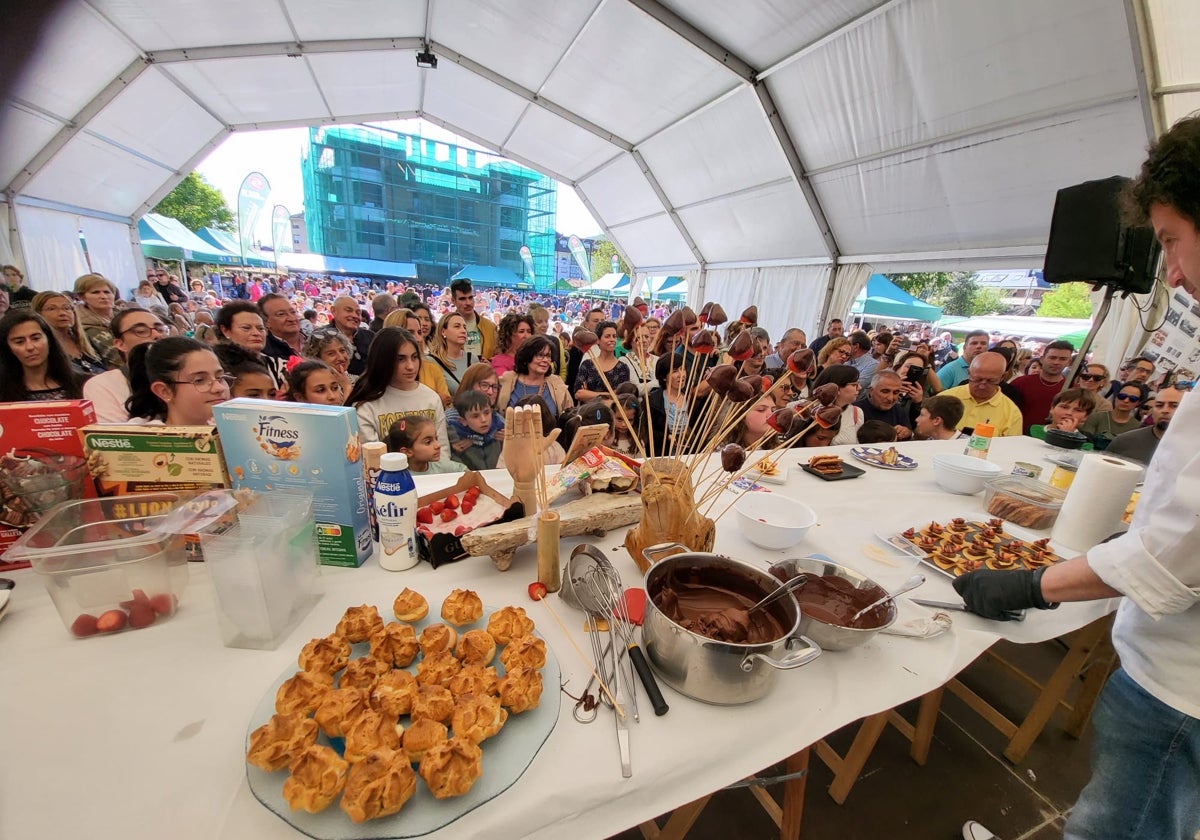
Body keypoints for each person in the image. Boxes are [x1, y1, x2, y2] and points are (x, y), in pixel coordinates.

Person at [957, 117, 1200, 840]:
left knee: (1112, 826)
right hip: (1174, 675)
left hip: (1182, 691)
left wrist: (1031, 585)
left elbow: (1169, 559)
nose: (1175, 275)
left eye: (1169, 241)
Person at [347, 326, 450, 460]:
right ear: (383, 361)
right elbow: (372, 460)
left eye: (414, 357)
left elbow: (443, 452)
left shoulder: (430, 398)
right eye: (400, 359)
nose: (410, 366)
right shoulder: (366, 405)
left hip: (431, 478)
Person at [83, 308, 169, 422]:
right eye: (141, 331)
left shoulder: (185, 375)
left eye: (161, 329)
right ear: (120, 344)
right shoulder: (102, 384)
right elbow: (120, 437)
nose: (156, 335)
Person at [125, 337, 230, 425]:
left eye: (220, 377)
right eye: (199, 380)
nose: (219, 388)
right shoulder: (145, 443)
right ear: (164, 391)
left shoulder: (235, 432)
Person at [0, 310, 83, 401]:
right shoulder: (3, 390)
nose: (30, 347)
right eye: (19, 342)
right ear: (7, 347)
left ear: (49, 339)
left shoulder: (85, 384)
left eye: (36, 338)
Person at [937, 351, 1023, 436]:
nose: (982, 386)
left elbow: (1010, 448)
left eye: (990, 381)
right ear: (969, 373)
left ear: (1003, 377)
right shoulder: (944, 399)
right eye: (977, 379)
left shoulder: (1012, 413)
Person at [214, 301, 288, 391]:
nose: (256, 333)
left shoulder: (282, 366)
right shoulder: (215, 367)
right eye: (246, 328)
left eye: (260, 328)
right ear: (225, 330)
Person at [31, 291, 107, 378]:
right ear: (38, 314)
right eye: (52, 309)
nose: (62, 313)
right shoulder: (42, 346)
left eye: (66, 308)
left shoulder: (83, 340)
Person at [384, 308, 452, 405]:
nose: (418, 338)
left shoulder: (432, 369)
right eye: (410, 332)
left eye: (419, 332)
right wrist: (433, 402)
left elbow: (448, 406)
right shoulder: (381, 374)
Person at [1103, 385, 1182, 465]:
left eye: (1174, 406)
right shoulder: (1125, 441)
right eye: (1159, 405)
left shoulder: (1193, 449)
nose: (1165, 410)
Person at [497, 336, 572, 417]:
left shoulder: (557, 383)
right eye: (540, 355)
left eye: (548, 356)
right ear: (527, 356)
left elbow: (570, 417)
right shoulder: (506, 380)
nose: (545, 360)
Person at [1009, 339, 1074, 433]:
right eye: (1052, 357)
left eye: (1062, 359)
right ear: (1042, 359)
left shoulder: (1071, 389)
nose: (1056, 362)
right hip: (1018, 436)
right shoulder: (1021, 382)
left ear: (1069, 362)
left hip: (1052, 438)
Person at [385, 415, 465, 475]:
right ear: (407, 452)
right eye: (428, 442)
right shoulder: (396, 477)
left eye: (436, 438)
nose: (438, 445)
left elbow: (470, 475)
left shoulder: (443, 467)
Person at [316, 295, 373, 376]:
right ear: (333, 310)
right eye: (349, 310)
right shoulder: (320, 336)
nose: (354, 316)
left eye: (358, 313)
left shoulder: (370, 336)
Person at [448, 389, 504, 470]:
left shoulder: (500, 431)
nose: (483, 419)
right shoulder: (455, 440)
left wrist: (510, 442)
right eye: (475, 416)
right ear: (463, 421)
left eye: (486, 413)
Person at [574, 321, 630, 402]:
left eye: (614, 336)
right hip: (588, 412)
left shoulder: (623, 367)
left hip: (611, 413)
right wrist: (608, 395)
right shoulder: (587, 364)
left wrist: (589, 394)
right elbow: (578, 394)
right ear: (598, 340)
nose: (612, 340)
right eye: (607, 336)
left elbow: (620, 397)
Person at [73, 273, 120, 367]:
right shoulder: (84, 327)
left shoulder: (126, 316)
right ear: (82, 297)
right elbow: (118, 358)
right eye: (95, 292)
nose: (103, 296)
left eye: (107, 292)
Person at [853, 369, 914, 440]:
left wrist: (907, 433)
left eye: (895, 393)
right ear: (871, 391)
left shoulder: (899, 410)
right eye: (885, 391)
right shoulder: (855, 410)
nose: (891, 398)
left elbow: (909, 433)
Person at [428, 312, 478, 396]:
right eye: (457, 326)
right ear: (443, 332)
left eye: (464, 327)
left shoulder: (473, 359)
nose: (463, 331)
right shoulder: (431, 361)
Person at [812, 364, 863, 445]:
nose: (860, 388)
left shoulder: (857, 412)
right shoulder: (807, 409)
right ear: (836, 388)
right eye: (854, 385)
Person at [1079, 382, 1148, 441]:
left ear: (1138, 403)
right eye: (1122, 396)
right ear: (1116, 397)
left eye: (1132, 399)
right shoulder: (1096, 418)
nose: (1126, 401)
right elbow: (1085, 441)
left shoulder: (1138, 427)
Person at [449, 279, 496, 358]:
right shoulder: (445, 327)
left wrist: (490, 363)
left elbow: (498, 356)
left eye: (470, 298)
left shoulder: (490, 326)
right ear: (453, 301)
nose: (468, 303)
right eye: (462, 299)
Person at [303, 330, 354, 396]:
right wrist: (347, 387)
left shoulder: (360, 381)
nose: (341, 358)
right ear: (317, 358)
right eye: (331, 354)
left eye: (342, 351)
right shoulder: (314, 386)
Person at [258, 293, 305, 359]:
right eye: (281, 314)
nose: (292, 318)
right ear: (266, 322)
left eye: (293, 312)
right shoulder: (263, 354)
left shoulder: (317, 342)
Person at [490, 313, 533, 377]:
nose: (527, 336)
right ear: (508, 335)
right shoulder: (500, 361)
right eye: (521, 331)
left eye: (529, 331)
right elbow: (504, 382)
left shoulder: (534, 358)